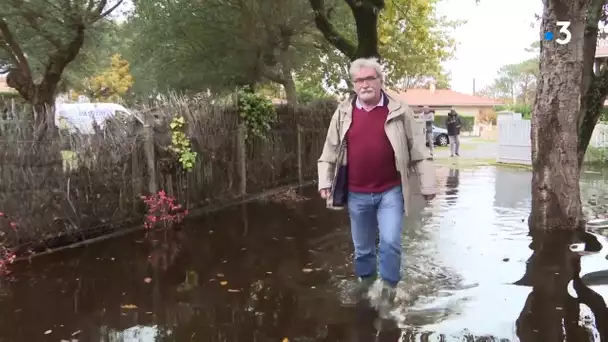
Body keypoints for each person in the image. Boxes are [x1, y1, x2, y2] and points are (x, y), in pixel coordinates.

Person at [317, 57, 436, 309]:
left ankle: (389, 289)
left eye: (370, 78)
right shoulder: (343, 112)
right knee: (363, 249)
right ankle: (367, 285)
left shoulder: (399, 110)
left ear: (381, 81)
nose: (364, 84)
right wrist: (324, 180)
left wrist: (427, 185)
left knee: (391, 242)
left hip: (390, 191)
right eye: (358, 80)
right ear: (353, 85)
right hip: (356, 193)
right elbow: (330, 149)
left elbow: (418, 149)